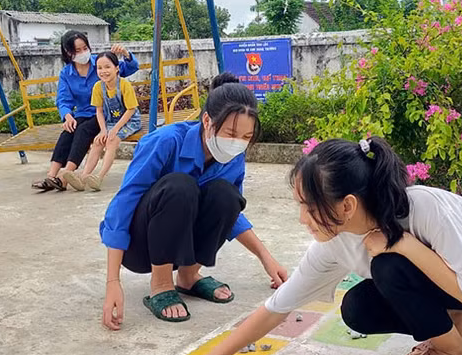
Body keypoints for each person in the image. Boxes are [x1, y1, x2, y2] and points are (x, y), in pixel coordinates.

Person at [160, 137, 462, 355]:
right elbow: (276, 308)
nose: (303, 218)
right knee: (357, 308)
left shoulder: (422, 208)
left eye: (309, 206)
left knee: (389, 266)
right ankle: (457, 324)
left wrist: (403, 243)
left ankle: (454, 353)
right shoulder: (334, 244)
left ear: (347, 205)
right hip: (457, 288)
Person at [99, 72, 289, 328]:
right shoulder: (166, 141)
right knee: (180, 186)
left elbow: (230, 214)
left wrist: (266, 258)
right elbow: (123, 205)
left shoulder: (232, 159)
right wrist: (113, 282)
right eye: (231, 133)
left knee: (227, 194)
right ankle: (161, 284)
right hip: (140, 247)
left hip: (182, 247)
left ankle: (188, 276)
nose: (236, 144)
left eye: (246, 137)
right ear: (207, 120)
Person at [31, 31, 139, 192]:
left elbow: (129, 67)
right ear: (68, 53)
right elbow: (63, 100)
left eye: (85, 48)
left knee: (83, 130)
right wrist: (67, 116)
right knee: (69, 130)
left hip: (103, 114)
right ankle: (51, 175)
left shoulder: (101, 63)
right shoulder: (67, 73)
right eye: (77, 51)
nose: (83, 53)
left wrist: (126, 54)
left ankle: (65, 176)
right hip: (83, 113)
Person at [64, 51, 142, 192]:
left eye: (107, 67)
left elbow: (131, 110)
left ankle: (99, 177)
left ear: (117, 68)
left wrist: (114, 130)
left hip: (129, 121)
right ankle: (83, 177)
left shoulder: (124, 85)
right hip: (111, 120)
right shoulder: (98, 87)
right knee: (98, 141)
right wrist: (103, 130)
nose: (103, 71)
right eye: (99, 68)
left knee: (111, 141)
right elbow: (99, 111)